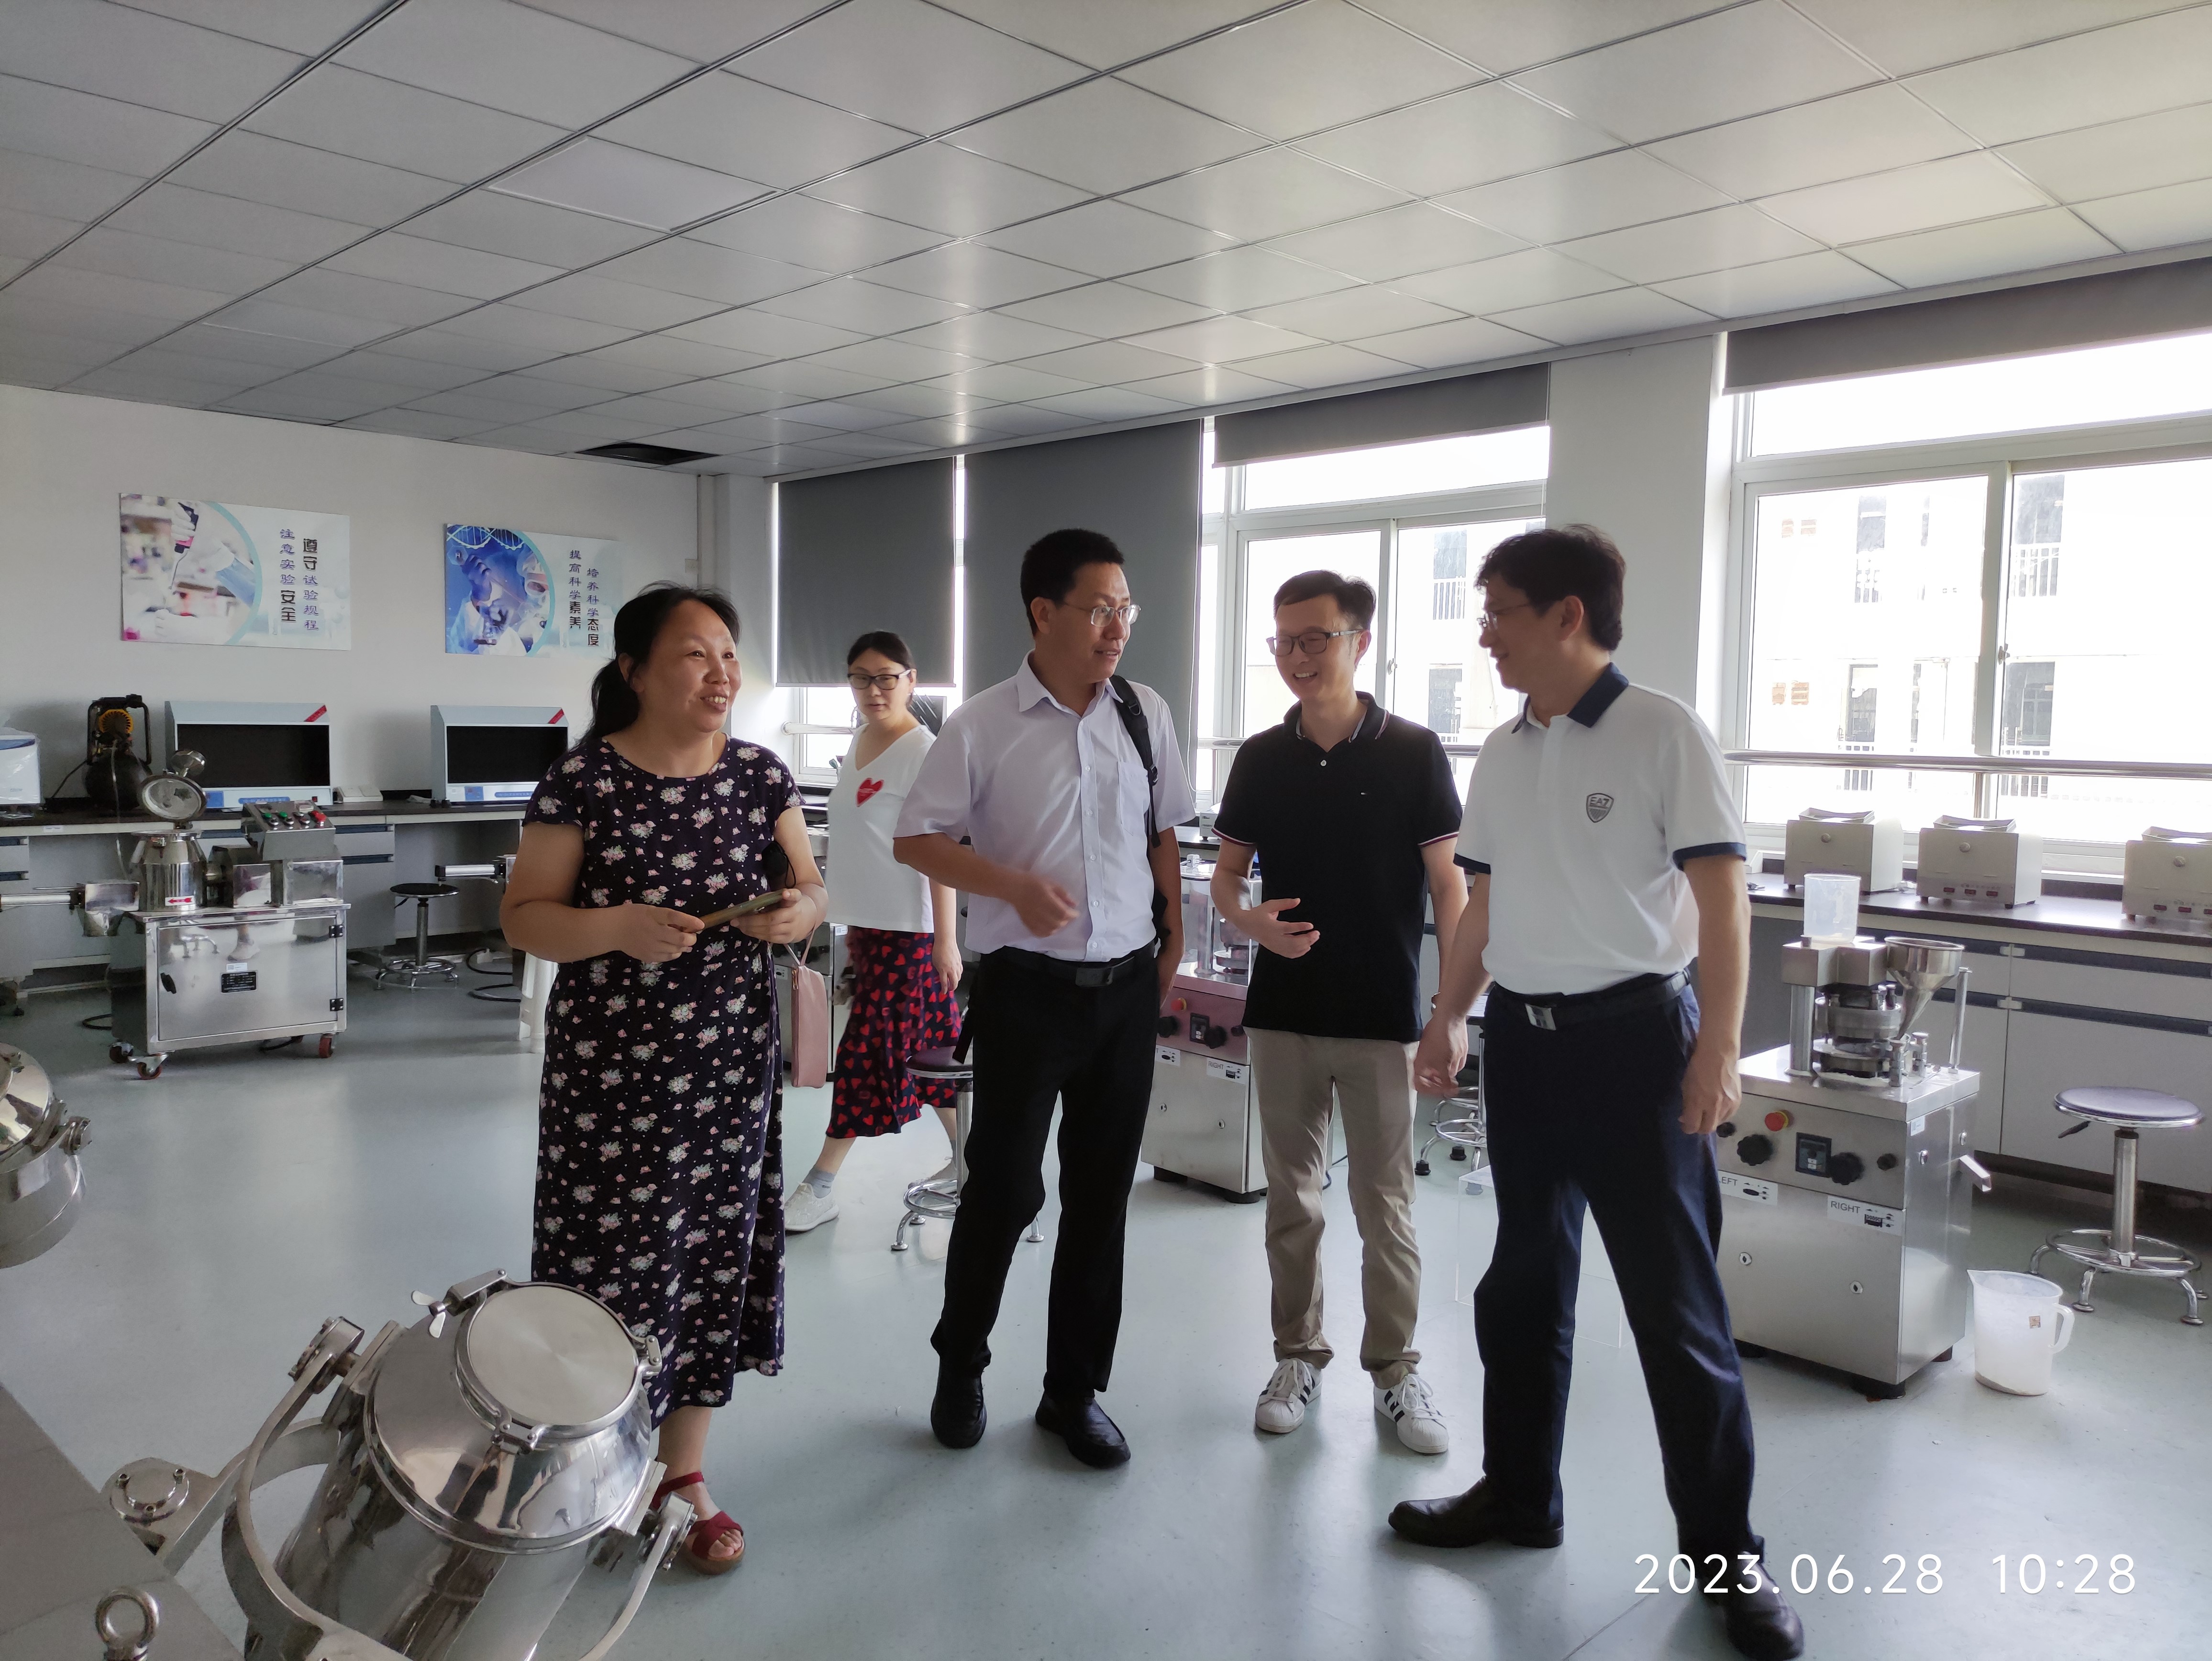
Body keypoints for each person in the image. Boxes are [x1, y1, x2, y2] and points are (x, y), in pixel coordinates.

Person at [1384, 527, 1803, 1661]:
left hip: (1637, 1048)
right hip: (1525, 1049)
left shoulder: (1663, 731)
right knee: (1521, 1288)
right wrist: (1447, 1012)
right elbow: (1481, 904)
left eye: (1499, 612)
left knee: (1675, 1312)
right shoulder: (1502, 750)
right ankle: (1520, 1494)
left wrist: (1718, 1047)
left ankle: (1727, 1556)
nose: (1484, 634)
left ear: (1566, 615)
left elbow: (1723, 902)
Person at [501, 583, 826, 1577]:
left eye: (728, 653)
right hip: (611, 1083)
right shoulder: (584, 780)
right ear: (635, 671)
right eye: (694, 653)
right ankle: (586, 1461)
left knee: (707, 1261)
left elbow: (810, 887)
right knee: (607, 1270)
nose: (720, 672)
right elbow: (524, 916)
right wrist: (614, 926)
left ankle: (681, 1474)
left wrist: (795, 913)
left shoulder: (759, 775)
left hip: (727, 1076)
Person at [893, 528, 1193, 1469]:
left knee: (1100, 1197)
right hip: (1026, 992)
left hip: (1125, 988)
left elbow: (1162, 831)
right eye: (1100, 608)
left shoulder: (1142, 711)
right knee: (1005, 1190)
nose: (1117, 626)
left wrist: (1173, 935)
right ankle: (960, 1362)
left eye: (1125, 608)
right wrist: (1011, 885)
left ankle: (1072, 1391)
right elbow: (917, 838)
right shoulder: (980, 724)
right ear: (1042, 612)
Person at [1209, 570, 1466, 1452]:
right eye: (1283, 640)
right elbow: (1226, 877)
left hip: (1381, 1016)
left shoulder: (1414, 751)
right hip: (1282, 1013)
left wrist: (1450, 1009)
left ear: (1361, 640)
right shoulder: (1260, 757)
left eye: (1314, 637)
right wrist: (1247, 921)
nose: (1296, 656)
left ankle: (1395, 1369)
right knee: (1292, 1198)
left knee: (1384, 1202)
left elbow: (1448, 886)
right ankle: (1297, 1355)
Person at [786, 631, 963, 1233]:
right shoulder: (860, 739)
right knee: (929, 1052)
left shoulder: (925, 751)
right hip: (866, 927)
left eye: (887, 676)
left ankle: (821, 1184)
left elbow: (939, 851)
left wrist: (946, 940)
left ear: (911, 681)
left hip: (909, 934)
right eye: (860, 678)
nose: (873, 689)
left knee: (864, 1053)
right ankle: (976, 1160)